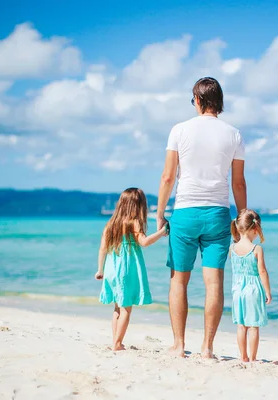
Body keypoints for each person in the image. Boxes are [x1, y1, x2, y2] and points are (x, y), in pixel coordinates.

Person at [156, 77, 247, 358]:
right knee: (214, 283)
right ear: (218, 101)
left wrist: (159, 214)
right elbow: (239, 183)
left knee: (178, 281)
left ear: (197, 99)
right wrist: (242, 219)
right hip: (218, 213)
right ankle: (207, 348)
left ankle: (179, 345)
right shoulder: (234, 134)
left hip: (185, 212)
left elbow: (168, 176)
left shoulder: (179, 130)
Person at [95, 188, 168, 351]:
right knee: (126, 307)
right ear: (139, 206)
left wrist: (100, 270)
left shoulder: (111, 224)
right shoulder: (134, 222)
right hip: (126, 269)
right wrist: (162, 232)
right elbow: (144, 242)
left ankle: (116, 341)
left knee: (117, 307)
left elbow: (102, 249)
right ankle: (117, 344)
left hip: (111, 269)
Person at [230, 209, 271, 362]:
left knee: (241, 326)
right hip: (253, 290)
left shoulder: (232, 248)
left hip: (237, 290)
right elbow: (262, 271)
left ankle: (243, 357)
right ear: (255, 229)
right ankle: (253, 358)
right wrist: (268, 291)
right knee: (253, 326)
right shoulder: (256, 249)